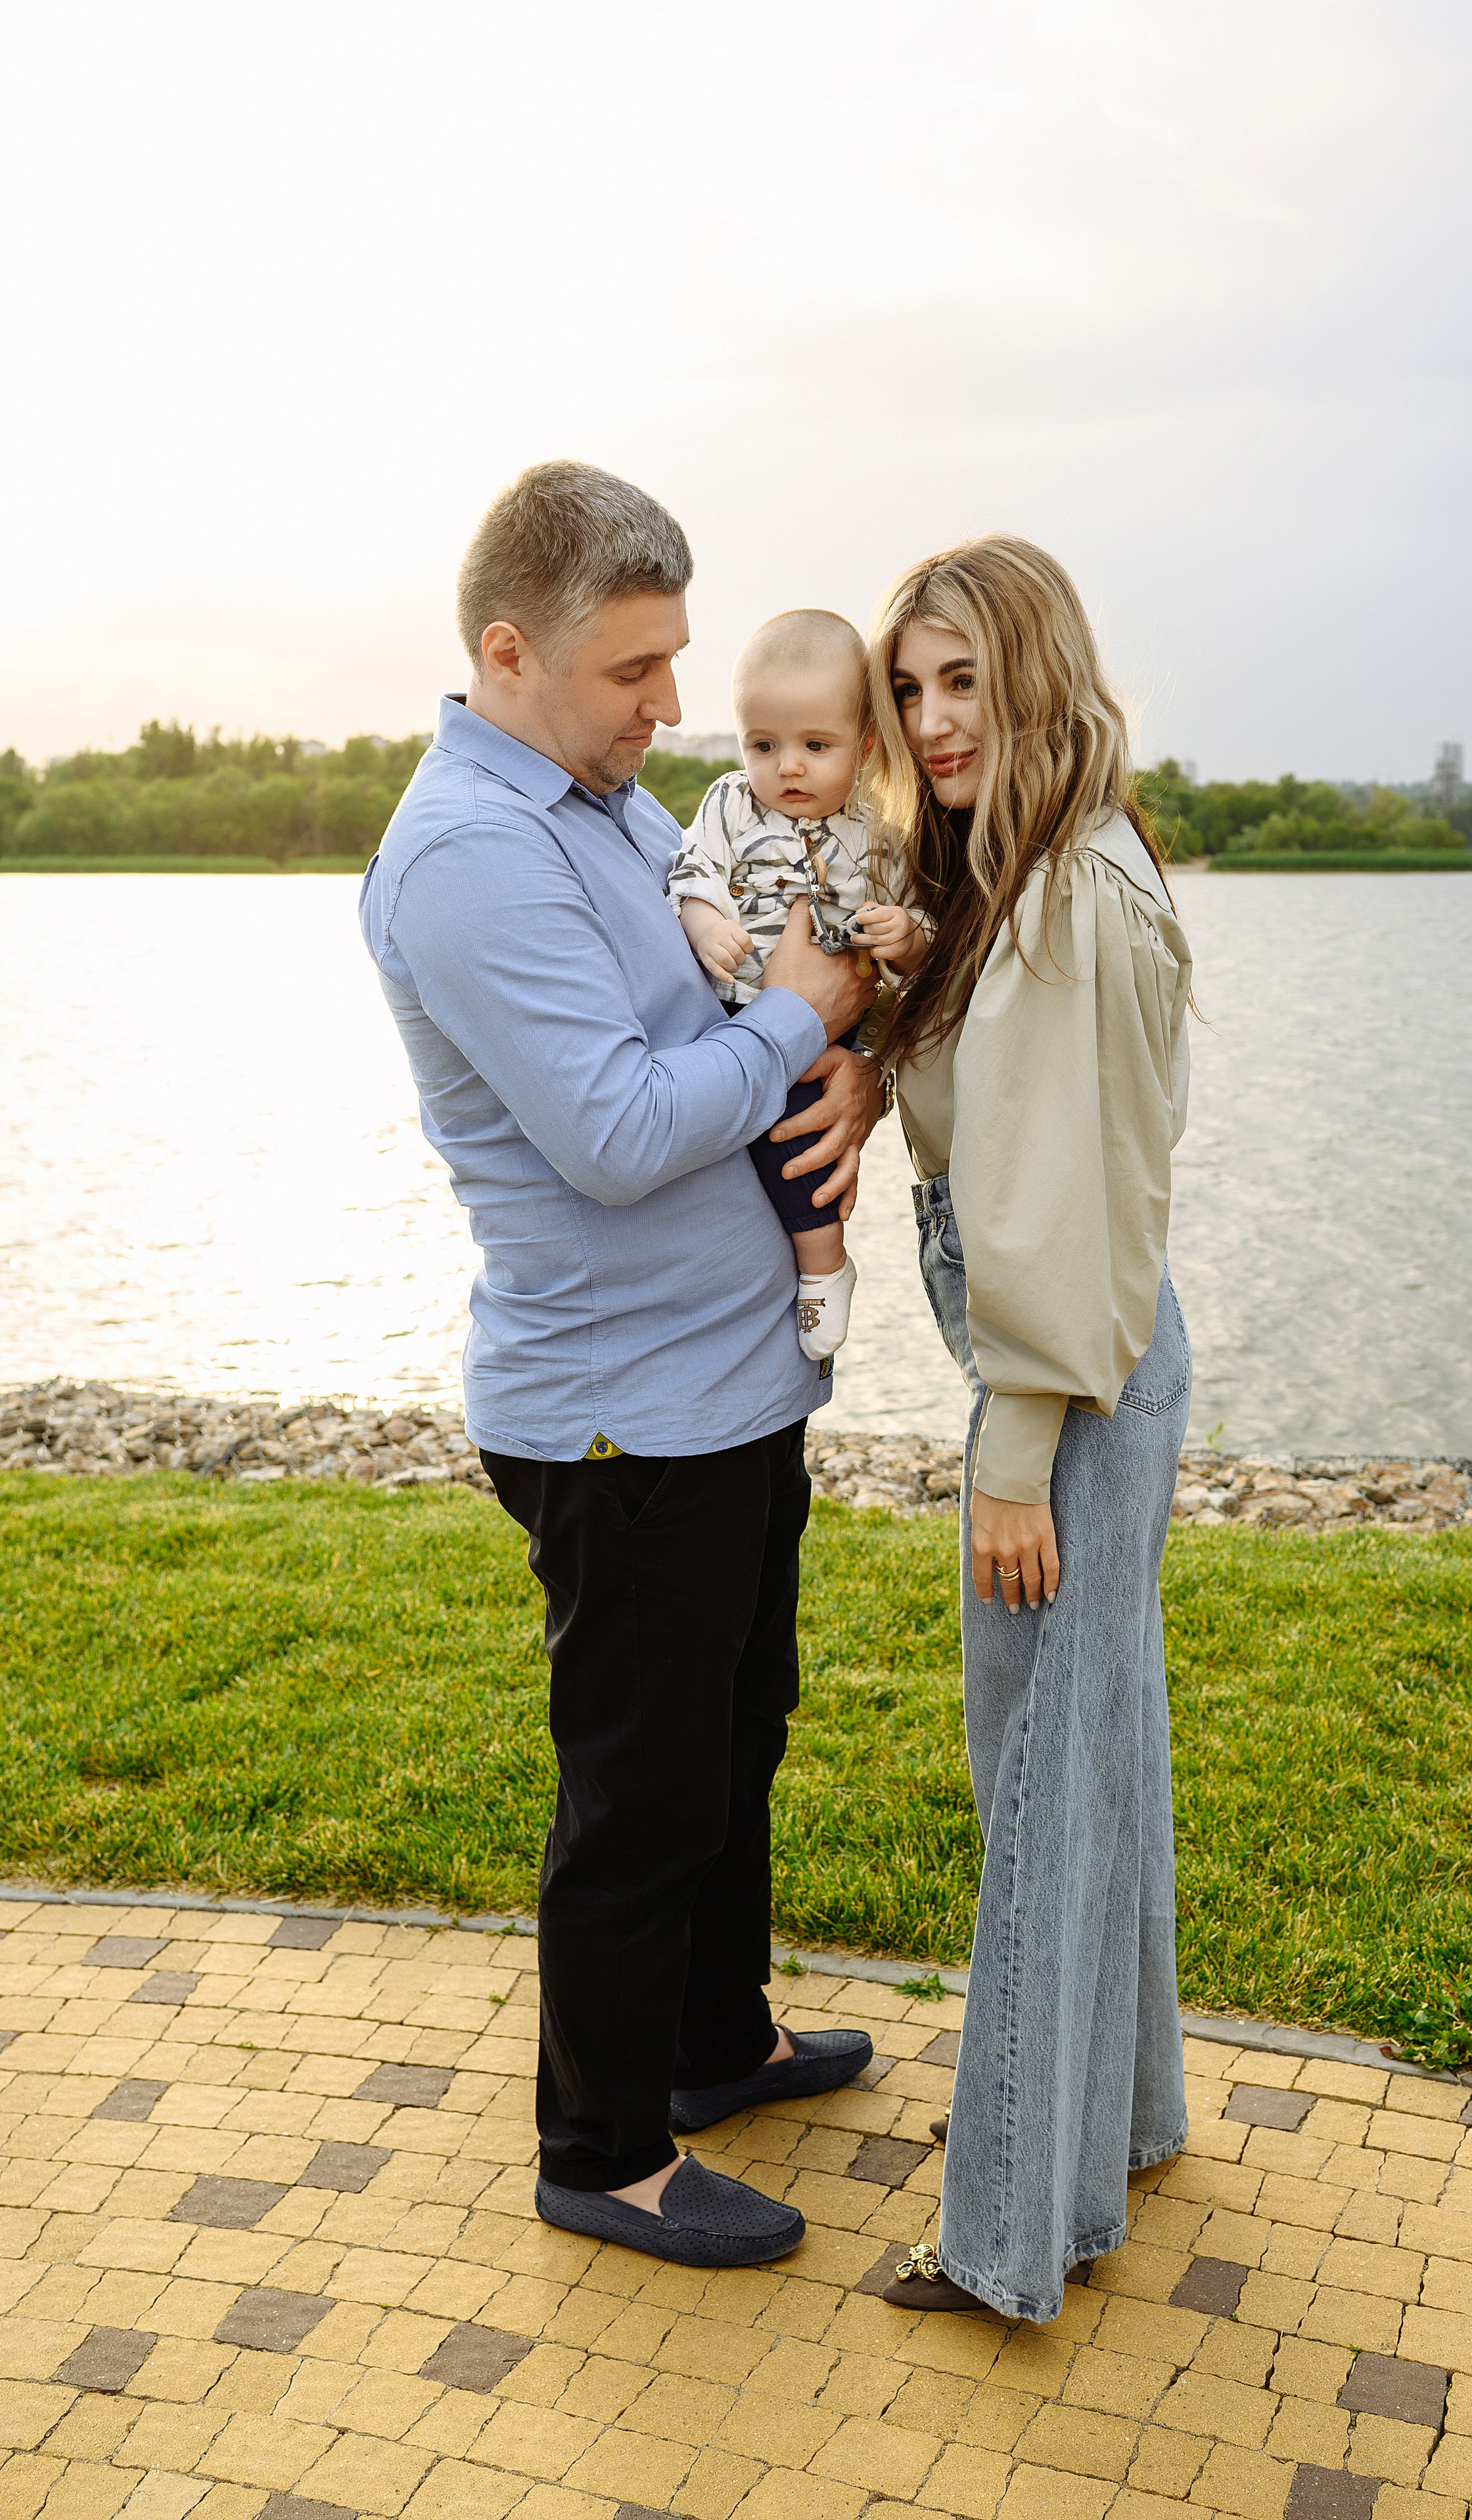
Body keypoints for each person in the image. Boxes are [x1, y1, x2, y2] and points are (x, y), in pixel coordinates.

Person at [358, 461, 886, 2270]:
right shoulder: (470, 854)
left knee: (737, 1731)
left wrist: (831, 1041)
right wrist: (805, 1013)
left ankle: (714, 2038)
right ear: (509, 652)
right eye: (633, 669)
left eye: (674, 661)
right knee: (640, 1793)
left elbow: (716, 1002)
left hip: (724, 1386)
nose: (671, 703)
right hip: (619, 1417)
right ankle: (601, 2148)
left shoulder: (603, 799)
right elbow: (613, 1129)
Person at [864, 536, 1195, 2323]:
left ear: (1037, 675)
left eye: (964, 682)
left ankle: (1008, 2229)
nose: (932, 719)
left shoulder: (1066, 895)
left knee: (1043, 1793)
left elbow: (1058, 1208)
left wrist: (1010, 1462)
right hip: (1090, 1373)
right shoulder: (1045, 866)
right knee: (1093, 1753)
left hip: (1062, 1389)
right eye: (910, 688)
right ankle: (1115, 2122)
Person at [666, 608, 927, 1358]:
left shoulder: (878, 834)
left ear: (864, 745)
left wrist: (905, 938)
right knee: (731, 1124)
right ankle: (780, 1270)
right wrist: (704, 924)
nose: (788, 767)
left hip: (832, 1025)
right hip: (736, 1006)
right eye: (763, 745)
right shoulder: (729, 804)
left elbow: (918, 929)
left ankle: (824, 1265)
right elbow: (692, 871)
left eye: (815, 746)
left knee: (801, 1140)